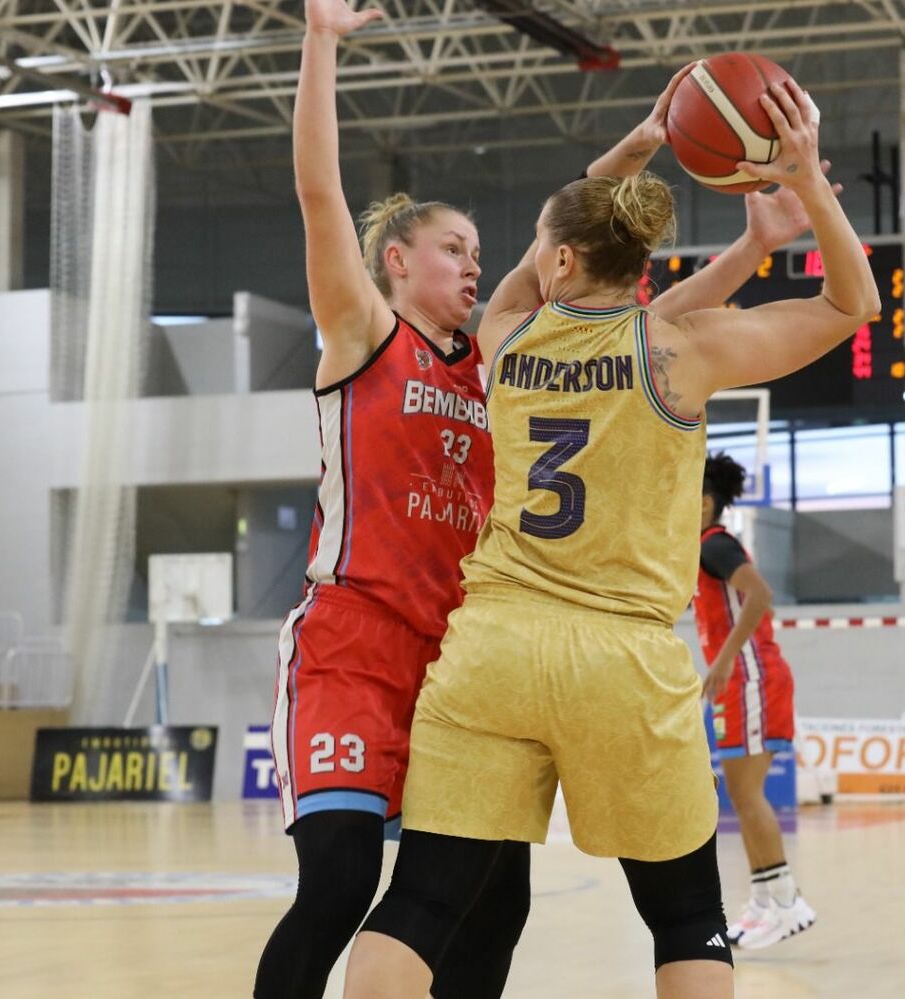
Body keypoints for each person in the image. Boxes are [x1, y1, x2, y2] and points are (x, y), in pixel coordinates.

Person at [257, 4, 802, 994]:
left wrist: (743, 247)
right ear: (395, 262)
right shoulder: (364, 335)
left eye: (480, 250)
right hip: (358, 640)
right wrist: (322, 42)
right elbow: (318, 192)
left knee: (491, 907)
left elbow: (638, 318)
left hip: (469, 649)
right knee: (338, 884)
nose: (474, 264)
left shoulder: (505, 356)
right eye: (452, 249)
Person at [344, 75, 877, 999]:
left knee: (419, 902)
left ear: (557, 259)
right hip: (623, 661)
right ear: (639, 261)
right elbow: (849, 304)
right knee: (686, 916)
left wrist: (638, 146)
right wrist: (803, 181)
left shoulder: (507, 335)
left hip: (495, 648)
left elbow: (550, 258)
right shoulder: (681, 351)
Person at [696, 453, 815, 949]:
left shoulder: (715, 544)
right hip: (741, 681)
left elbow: (761, 594)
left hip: (751, 678)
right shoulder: (700, 549)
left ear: (705, 503)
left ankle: (787, 902)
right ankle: (765, 903)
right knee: (741, 799)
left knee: (747, 796)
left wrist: (724, 661)